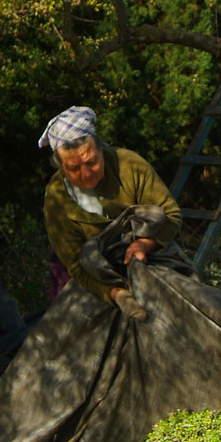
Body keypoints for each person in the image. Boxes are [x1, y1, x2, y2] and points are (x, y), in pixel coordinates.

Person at [39, 106, 184, 314]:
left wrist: (144, 244)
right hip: (86, 272)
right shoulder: (56, 196)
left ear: (101, 149)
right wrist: (115, 293)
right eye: (74, 168)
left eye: (92, 162)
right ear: (61, 166)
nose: (86, 174)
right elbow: (75, 263)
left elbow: (171, 214)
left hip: (145, 256)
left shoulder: (130, 165)